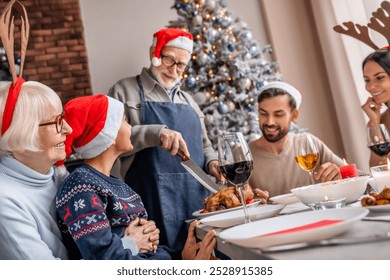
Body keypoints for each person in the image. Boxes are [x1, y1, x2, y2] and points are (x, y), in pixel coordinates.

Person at [56, 94, 216, 260]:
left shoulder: (119, 185)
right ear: (108, 133)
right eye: (125, 120)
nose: (131, 127)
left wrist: (182, 258)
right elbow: (104, 260)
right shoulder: (81, 187)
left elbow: (147, 251)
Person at [107, 28, 223, 252]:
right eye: (169, 59)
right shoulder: (124, 91)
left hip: (195, 200)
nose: (174, 69)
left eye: (181, 65)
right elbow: (111, 140)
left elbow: (205, 144)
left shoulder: (189, 100)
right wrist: (156, 133)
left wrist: (212, 163)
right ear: (154, 52)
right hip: (148, 199)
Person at [0, 80, 73, 259]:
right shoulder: (5, 201)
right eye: (57, 122)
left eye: (63, 118)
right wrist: (124, 248)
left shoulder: (58, 176)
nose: (68, 129)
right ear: (20, 135)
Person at [248, 81, 345, 197]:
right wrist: (252, 200)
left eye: (278, 115)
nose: (269, 122)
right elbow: (233, 201)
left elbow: (357, 178)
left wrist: (341, 175)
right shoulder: (244, 156)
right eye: (263, 113)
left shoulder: (309, 144)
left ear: (294, 115)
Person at [361, 48, 390, 167]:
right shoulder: (379, 121)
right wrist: (375, 123)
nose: (371, 86)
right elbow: (375, 169)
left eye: (379, 77)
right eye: (367, 80)